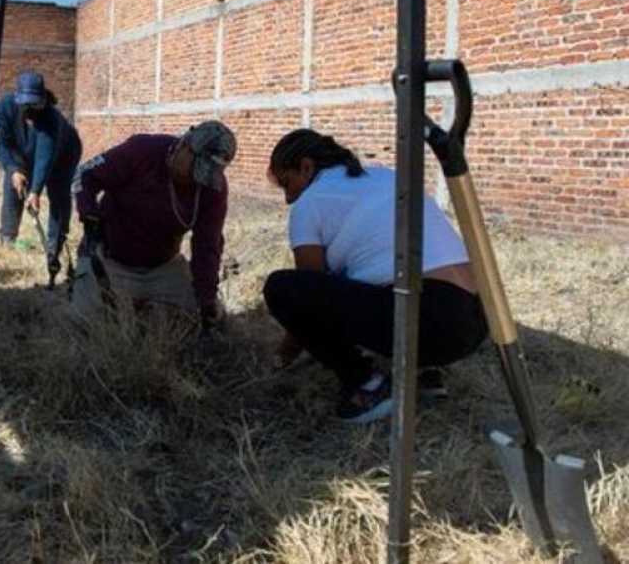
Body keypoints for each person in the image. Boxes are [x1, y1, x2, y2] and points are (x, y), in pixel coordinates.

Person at [261, 129, 488, 424]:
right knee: (375, 279)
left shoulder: (309, 203)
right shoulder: (386, 176)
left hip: (430, 320)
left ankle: (366, 384)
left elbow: (310, 294)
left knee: (282, 288)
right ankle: (422, 374)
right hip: (479, 317)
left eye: (287, 183)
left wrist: (284, 355)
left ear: (306, 166)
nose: (289, 198)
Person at [71, 120, 236, 331]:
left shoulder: (213, 189)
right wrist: (89, 212)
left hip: (163, 267)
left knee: (201, 320)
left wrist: (206, 298)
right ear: (184, 145)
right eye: (195, 170)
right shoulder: (142, 151)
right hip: (109, 258)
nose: (197, 180)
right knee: (83, 324)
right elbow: (85, 174)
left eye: (205, 175)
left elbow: (207, 245)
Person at [0, 70, 82, 274]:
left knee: (59, 195)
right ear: (17, 99)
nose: (31, 109)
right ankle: (7, 240)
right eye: (26, 104)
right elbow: (1, 144)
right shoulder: (4, 108)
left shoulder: (51, 118)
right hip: (23, 152)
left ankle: (54, 246)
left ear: (43, 99)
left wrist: (35, 192)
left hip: (63, 154)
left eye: (35, 104)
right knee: (13, 184)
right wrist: (14, 169)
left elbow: (45, 156)